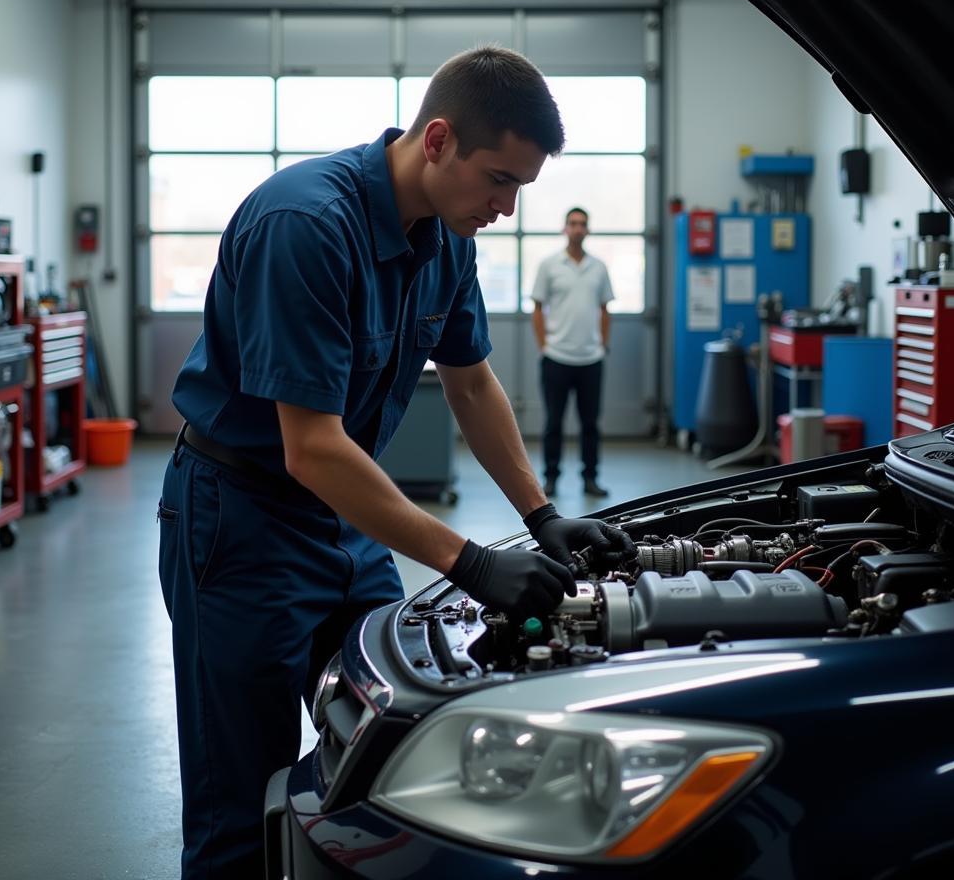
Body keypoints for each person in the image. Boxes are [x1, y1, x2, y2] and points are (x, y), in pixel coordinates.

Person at [157, 46, 632, 880]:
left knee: (395, 746)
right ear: (438, 139)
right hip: (241, 523)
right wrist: (470, 562)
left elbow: (472, 382)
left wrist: (540, 515)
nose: (507, 208)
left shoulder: (448, 237)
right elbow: (310, 447)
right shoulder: (305, 225)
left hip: (346, 518)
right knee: (242, 799)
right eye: (498, 181)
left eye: (521, 188)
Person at [531, 206, 616, 498]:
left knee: (590, 424)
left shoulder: (599, 268)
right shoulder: (550, 265)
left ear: (588, 230)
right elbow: (538, 309)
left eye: (582, 224)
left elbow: (605, 309)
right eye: (572, 223)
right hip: (556, 358)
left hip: (591, 359)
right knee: (553, 422)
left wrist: (603, 345)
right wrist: (544, 345)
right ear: (565, 228)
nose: (577, 228)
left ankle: (590, 478)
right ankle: (551, 478)